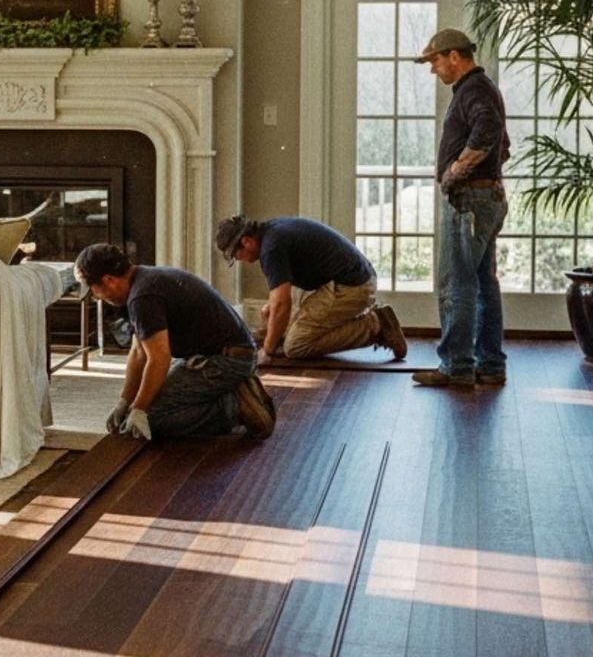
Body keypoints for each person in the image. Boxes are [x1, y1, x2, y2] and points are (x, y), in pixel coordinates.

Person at [72, 243, 276, 441]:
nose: (97, 298)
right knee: (137, 411)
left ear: (108, 280)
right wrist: (125, 403)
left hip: (225, 360)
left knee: (152, 420)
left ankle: (234, 406)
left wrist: (141, 409)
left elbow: (159, 358)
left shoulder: (143, 296)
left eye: (94, 291)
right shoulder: (142, 282)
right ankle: (229, 392)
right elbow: (139, 352)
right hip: (217, 354)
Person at [412, 28, 509, 388]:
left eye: (435, 60)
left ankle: (457, 366)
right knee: (484, 283)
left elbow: (488, 131)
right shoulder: (482, 89)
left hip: (469, 201)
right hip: (486, 198)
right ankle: (490, 365)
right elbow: (503, 143)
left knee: (458, 283)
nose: (433, 69)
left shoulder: (473, 89)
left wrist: (455, 172)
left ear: (455, 56)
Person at [213, 214, 408, 363]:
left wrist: (268, 351)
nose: (240, 260)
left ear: (246, 241)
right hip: (343, 281)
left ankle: (376, 326)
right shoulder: (272, 232)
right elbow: (279, 300)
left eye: (236, 255)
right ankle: (279, 339)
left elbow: (282, 304)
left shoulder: (271, 249)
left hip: (352, 287)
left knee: (295, 346)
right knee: (271, 317)